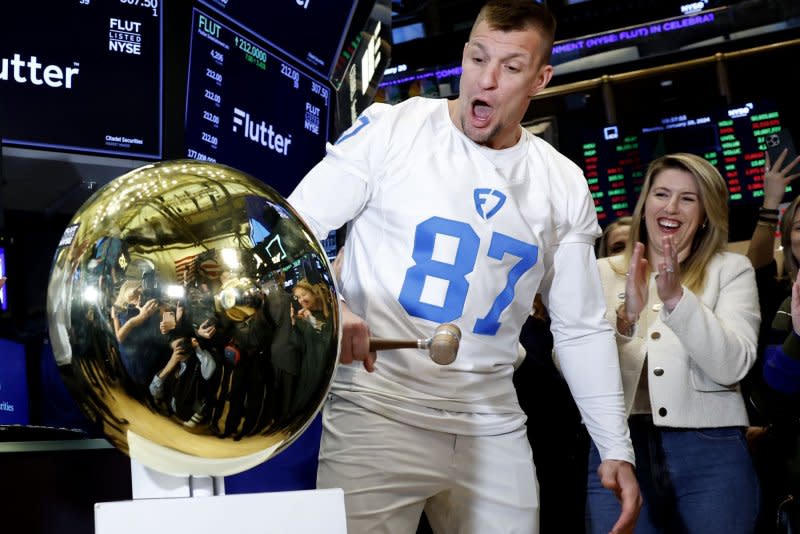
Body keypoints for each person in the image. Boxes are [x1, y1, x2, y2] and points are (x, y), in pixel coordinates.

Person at [288, 1, 640, 532]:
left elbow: (580, 328)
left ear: (540, 79)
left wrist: (615, 444)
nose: (487, 79)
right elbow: (290, 227)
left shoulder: (562, 183)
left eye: (511, 67)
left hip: (492, 422)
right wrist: (329, 306)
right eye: (477, 59)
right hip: (377, 411)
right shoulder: (395, 127)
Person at [587, 153, 761, 533]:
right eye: (661, 194)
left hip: (711, 449)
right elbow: (571, 364)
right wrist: (625, 320)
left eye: (688, 198)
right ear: (645, 202)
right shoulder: (601, 272)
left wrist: (676, 301)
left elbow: (733, 365)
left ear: (704, 215)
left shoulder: (731, 270)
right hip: (619, 449)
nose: (670, 207)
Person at [744, 148, 800, 533]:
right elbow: (755, 267)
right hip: (789, 462)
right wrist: (771, 202)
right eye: (799, 226)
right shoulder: (777, 293)